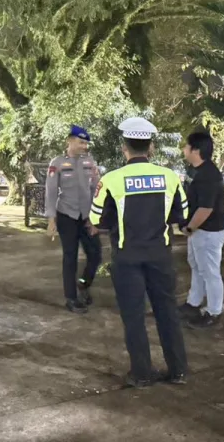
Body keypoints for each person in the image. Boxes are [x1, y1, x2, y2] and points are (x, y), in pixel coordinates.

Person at [90, 117, 189, 387]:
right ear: (151, 147)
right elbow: (182, 214)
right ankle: (179, 370)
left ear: (124, 147)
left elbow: (97, 219)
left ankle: (142, 373)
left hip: (127, 257)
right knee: (167, 311)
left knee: (133, 316)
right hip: (160, 255)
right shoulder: (170, 178)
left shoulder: (111, 180)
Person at [45, 125, 102, 313]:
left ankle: (83, 283)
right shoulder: (57, 163)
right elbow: (51, 192)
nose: (84, 146)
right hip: (66, 215)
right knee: (70, 257)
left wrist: (95, 218)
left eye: (86, 143)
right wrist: (51, 219)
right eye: (81, 142)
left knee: (95, 255)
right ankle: (71, 297)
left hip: (87, 217)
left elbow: (96, 189)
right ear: (70, 141)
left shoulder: (90, 162)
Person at [179, 131, 224, 329]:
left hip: (210, 230)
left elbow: (206, 208)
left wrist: (190, 227)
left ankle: (214, 312)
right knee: (196, 266)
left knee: (210, 272)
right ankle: (193, 303)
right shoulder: (194, 170)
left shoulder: (209, 175)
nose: (184, 149)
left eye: (186, 145)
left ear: (196, 150)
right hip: (199, 230)